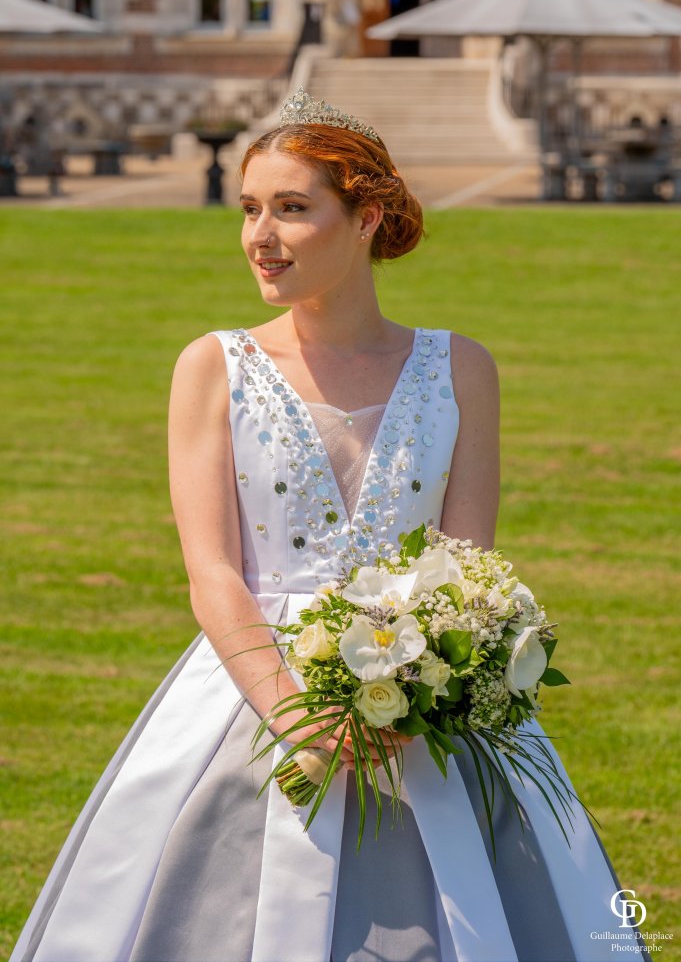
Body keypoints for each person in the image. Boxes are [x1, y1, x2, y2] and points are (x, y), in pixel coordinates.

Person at [11, 90, 648, 962]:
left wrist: (420, 687)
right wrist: (303, 722)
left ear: (366, 218)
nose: (259, 236)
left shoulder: (461, 368)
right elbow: (213, 573)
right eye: (249, 210)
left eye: (292, 208)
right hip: (248, 697)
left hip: (428, 710)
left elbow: (468, 570)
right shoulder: (212, 366)